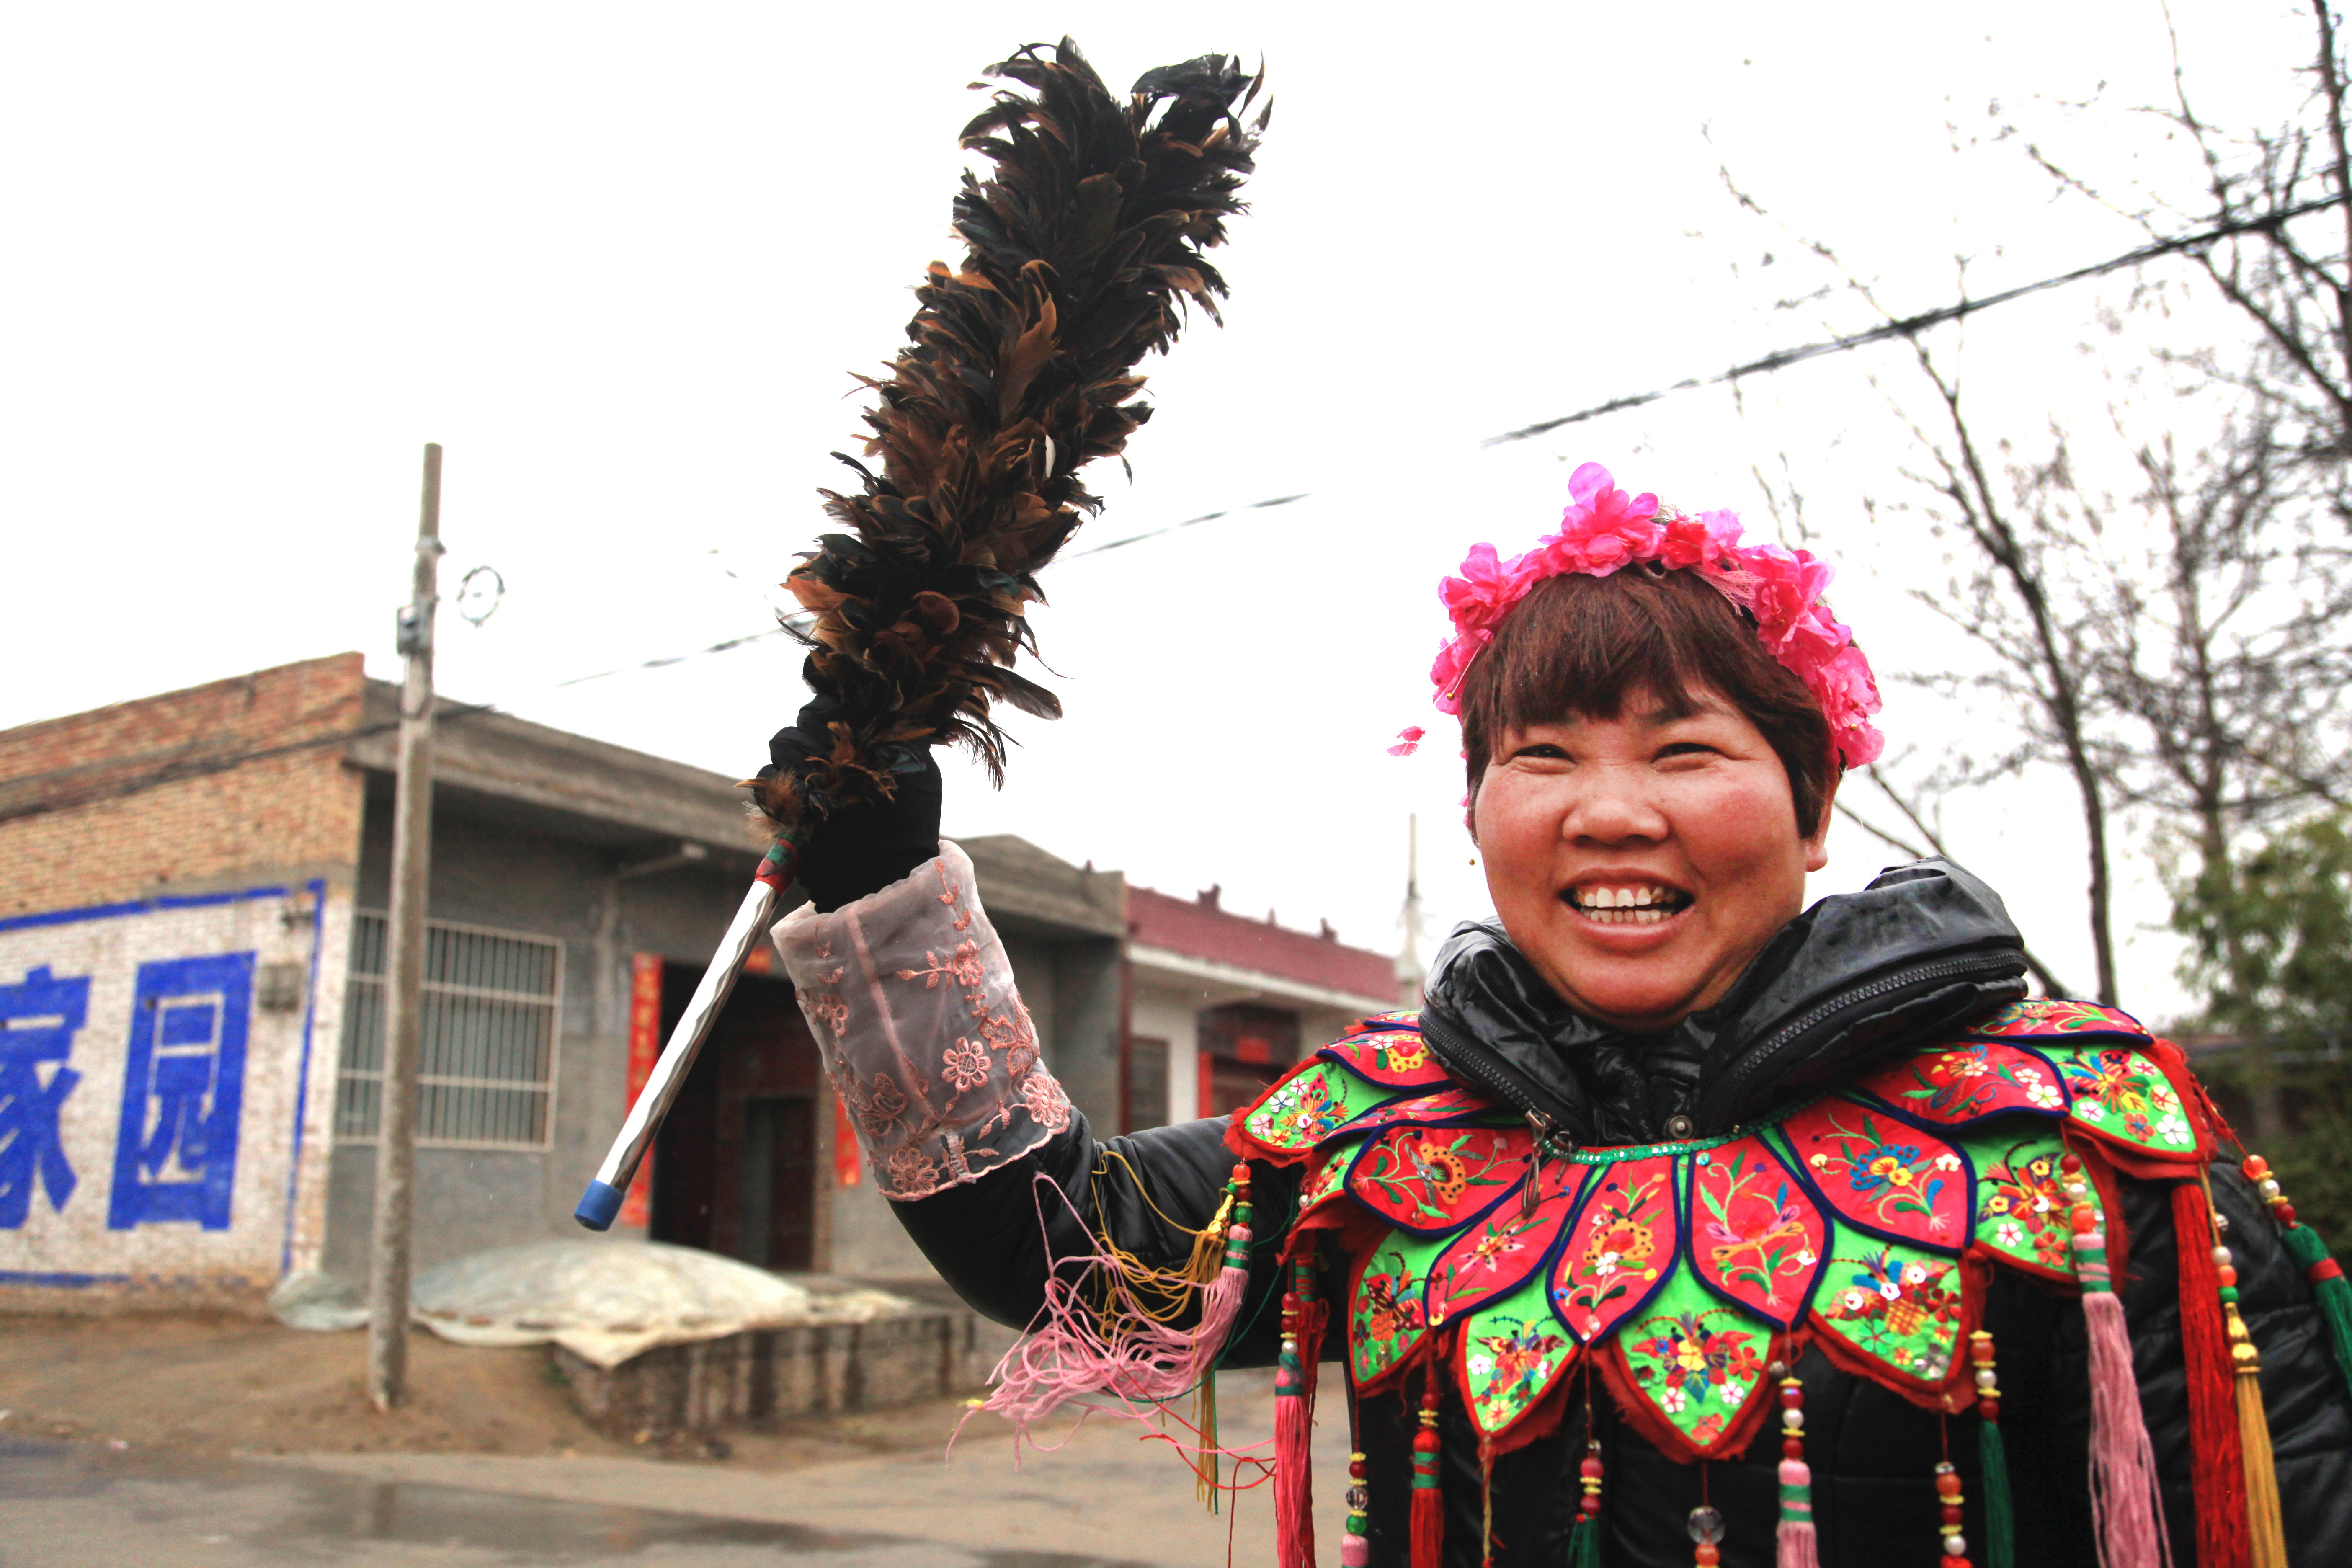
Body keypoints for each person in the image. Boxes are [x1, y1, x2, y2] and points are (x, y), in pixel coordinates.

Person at [760, 463, 2352, 1568]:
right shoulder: (1382, 1140)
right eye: (1542, 758)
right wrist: (886, 889)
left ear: (1813, 808)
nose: (1608, 814)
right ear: (1477, 821)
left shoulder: (2073, 1140)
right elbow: (1072, 1266)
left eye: (1682, 753)